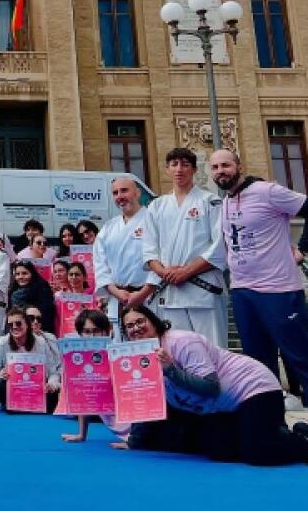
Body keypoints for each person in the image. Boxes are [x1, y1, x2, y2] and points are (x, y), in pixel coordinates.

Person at [208, 148, 308, 446]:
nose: (221, 171)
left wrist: (302, 250)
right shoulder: (225, 203)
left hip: (278, 291)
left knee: (303, 360)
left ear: (238, 166)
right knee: (259, 367)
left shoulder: (267, 192)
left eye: (226, 165)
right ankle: (273, 428)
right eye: (215, 167)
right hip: (243, 292)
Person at [118, 305, 308, 466]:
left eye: (140, 321)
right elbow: (143, 401)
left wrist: (171, 371)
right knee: (220, 450)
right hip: (220, 407)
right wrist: (134, 440)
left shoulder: (181, 342)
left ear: (153, 321)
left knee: (258, 454)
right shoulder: (139, 360)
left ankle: (307, 443)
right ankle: (271, 432)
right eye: (130, 326)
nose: (136, 328)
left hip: (254, 389)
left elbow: (211, 387)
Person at [143, 148, 228, 346]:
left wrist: (186, 271)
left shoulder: (210, 201)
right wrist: (164, 272)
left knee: (213, 351)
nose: (179, 169)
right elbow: (148, 250)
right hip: (170, 292)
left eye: (185, 164)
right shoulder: (157, 206)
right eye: (174, 164)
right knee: (178, 354)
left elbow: (219, 245)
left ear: (194, 170)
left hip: (203, 290)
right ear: (167, 169)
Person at [93, 177, 154, 336]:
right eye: (115, 193)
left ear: (138, 193)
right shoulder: (108, 228)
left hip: (148, 297)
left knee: (150, 349)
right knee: (122, 353)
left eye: (124, 190)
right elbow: (100, 265)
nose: (119, 196)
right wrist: (116, 292)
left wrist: (143, 293)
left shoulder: (153, 220)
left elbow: (161, 261)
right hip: (117, 298)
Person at [0, 305, 62, 410]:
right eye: (11, 325)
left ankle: (4, 404)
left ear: (27, 325)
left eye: (18, 323)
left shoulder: (41, 343)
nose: (14, 327)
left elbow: (53, 373)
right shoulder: (3, 342)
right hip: (11, 388)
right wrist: (0, 375)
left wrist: (51, 384)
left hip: (36, 389)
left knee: (54, 396)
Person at [61, 309, 122, 444]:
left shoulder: (119, 354)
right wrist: (81, 435)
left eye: (96, 331)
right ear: (80, 334)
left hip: (136, 423)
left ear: (107, 331)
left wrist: (135, 439)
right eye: (87, 332)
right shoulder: (80, 358)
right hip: (116, 426)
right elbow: (84, 398)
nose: (92, 336)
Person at [8, 259, 57, 334]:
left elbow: (46, 316)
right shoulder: (13, 291)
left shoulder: (42, 289)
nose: (20, 277)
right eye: (17, 274)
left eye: (24, 273)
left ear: (32, 274)